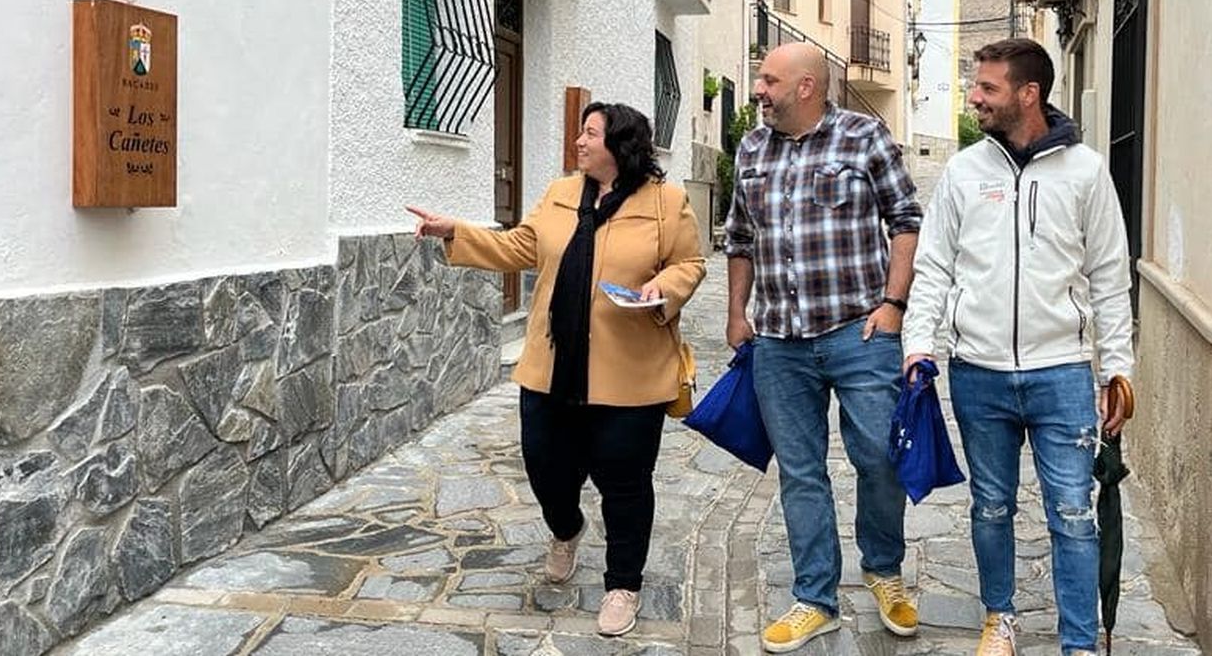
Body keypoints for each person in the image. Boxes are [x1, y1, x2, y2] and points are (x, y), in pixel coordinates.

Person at [409, 101, 706, 638]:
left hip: (631, 371)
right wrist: (456, 231)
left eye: (590, 134)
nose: (579, 142)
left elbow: (690, 263)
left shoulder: (667, 201)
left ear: (619, 145)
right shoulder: (560, 194)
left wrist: (666, 287)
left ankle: (623, 584)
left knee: (625, 481)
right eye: (581, 133)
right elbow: (522, 246)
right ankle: (566, 529)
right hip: (552, 366)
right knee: (545, 464)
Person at [900, 38, 1134, 656]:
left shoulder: (1085, 172)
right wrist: (919, 343)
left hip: (1062, 372)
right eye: (975, 87)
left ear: (1028, 94)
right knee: (991, 506)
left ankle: (1079, 643)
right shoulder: (963, 171)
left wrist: (1117, 370)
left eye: (988, 89)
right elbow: (935, 267)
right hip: (979, 372)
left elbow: (1110, 275)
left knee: (1074, 516)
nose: (974, 98)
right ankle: (998, 617)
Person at [723, 42, 924, 652]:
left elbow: (906, 219)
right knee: (801, 473)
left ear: (806, 86)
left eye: (768, 79)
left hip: (858, 331)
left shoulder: (864, 138)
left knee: (879, 458)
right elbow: (738, 237)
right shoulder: (752, 148)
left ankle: (883, 571)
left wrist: (893, 305)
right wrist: (737, 312)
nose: (758, 89)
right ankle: (816, 597)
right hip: (780, 341)